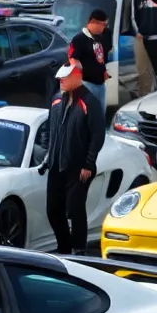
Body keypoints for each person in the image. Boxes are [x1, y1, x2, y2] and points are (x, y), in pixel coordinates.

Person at [39, 63, 105, 255]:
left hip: (78, 167)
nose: (61, 81)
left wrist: (89, 163)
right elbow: (48, 128)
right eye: (60, 78)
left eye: (65, 78)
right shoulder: (57, 100)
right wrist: (48, 151)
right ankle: (65, 246)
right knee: (53, 210)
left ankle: (79, 249)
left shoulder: (89, 101)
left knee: (75, 210)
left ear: (76, 76)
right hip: (56, 165)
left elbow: (97, 135)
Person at [69, 8, 110, 110]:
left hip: (100, 83)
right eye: (102, 24)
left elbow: (102, 56)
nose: (104, 28)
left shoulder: (102, 37)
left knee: (101, 111)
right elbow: (73, 59)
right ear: (93, 23)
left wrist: (104, 70)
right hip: (87, 83)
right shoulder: (79, 38)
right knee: (89, 112)